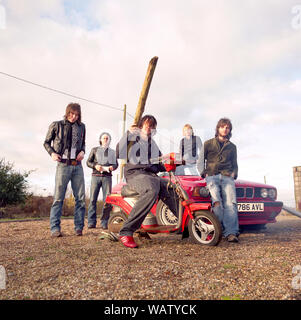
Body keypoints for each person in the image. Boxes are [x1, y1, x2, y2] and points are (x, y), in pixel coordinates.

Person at [116, 115, 178, 248]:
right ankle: (126, 231)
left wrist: (172, 163)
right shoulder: (132, 139)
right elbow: (118, 152)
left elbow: (159, 163)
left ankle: (184, 224)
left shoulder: (152, 144)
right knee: (151, 189)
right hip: (135, 174)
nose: (149, 128)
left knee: (169, 186)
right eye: (147, 125)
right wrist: (127, 135)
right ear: (141, 126)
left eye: (152, 126)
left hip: (150, 175)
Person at [44, 103, 86, 237]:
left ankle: (79, 228)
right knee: (58, 198)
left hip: (77, 166)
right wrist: (52, 153)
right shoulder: (56, 125)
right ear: (67, 112)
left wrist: (83, 151)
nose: (73, 117)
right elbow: (46, 142)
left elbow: (83, 143)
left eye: (76, 114)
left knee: (80, 198)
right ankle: (55, 228)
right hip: (63, 165)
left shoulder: (82, 127)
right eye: (71, 114)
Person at [197, 118, 239, 242]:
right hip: (211, 176)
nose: (225, 129)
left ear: (229, 130)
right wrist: (203, 173)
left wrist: (233, 174)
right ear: (218, 128)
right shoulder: (208, 143)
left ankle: (231, 233)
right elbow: (200, 161)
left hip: (227, 176)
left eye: (227, 127)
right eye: (222, 127)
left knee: (231, 204)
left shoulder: (232, 147)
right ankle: (218, 230)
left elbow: (235, 163)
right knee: (217, 203)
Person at [86, 132, 118, 230]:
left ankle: (104, 222)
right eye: (104, 138)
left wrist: (113, 167)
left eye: (107, 138)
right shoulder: (94, 150)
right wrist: (95, 166)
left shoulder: (112, 152)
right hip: (95, 176)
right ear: (100, 140)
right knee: (92, 200)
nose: (106, 140)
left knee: (107, 201)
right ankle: (91, 222)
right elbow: (88, 162)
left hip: (107, 177)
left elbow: (116, 164)